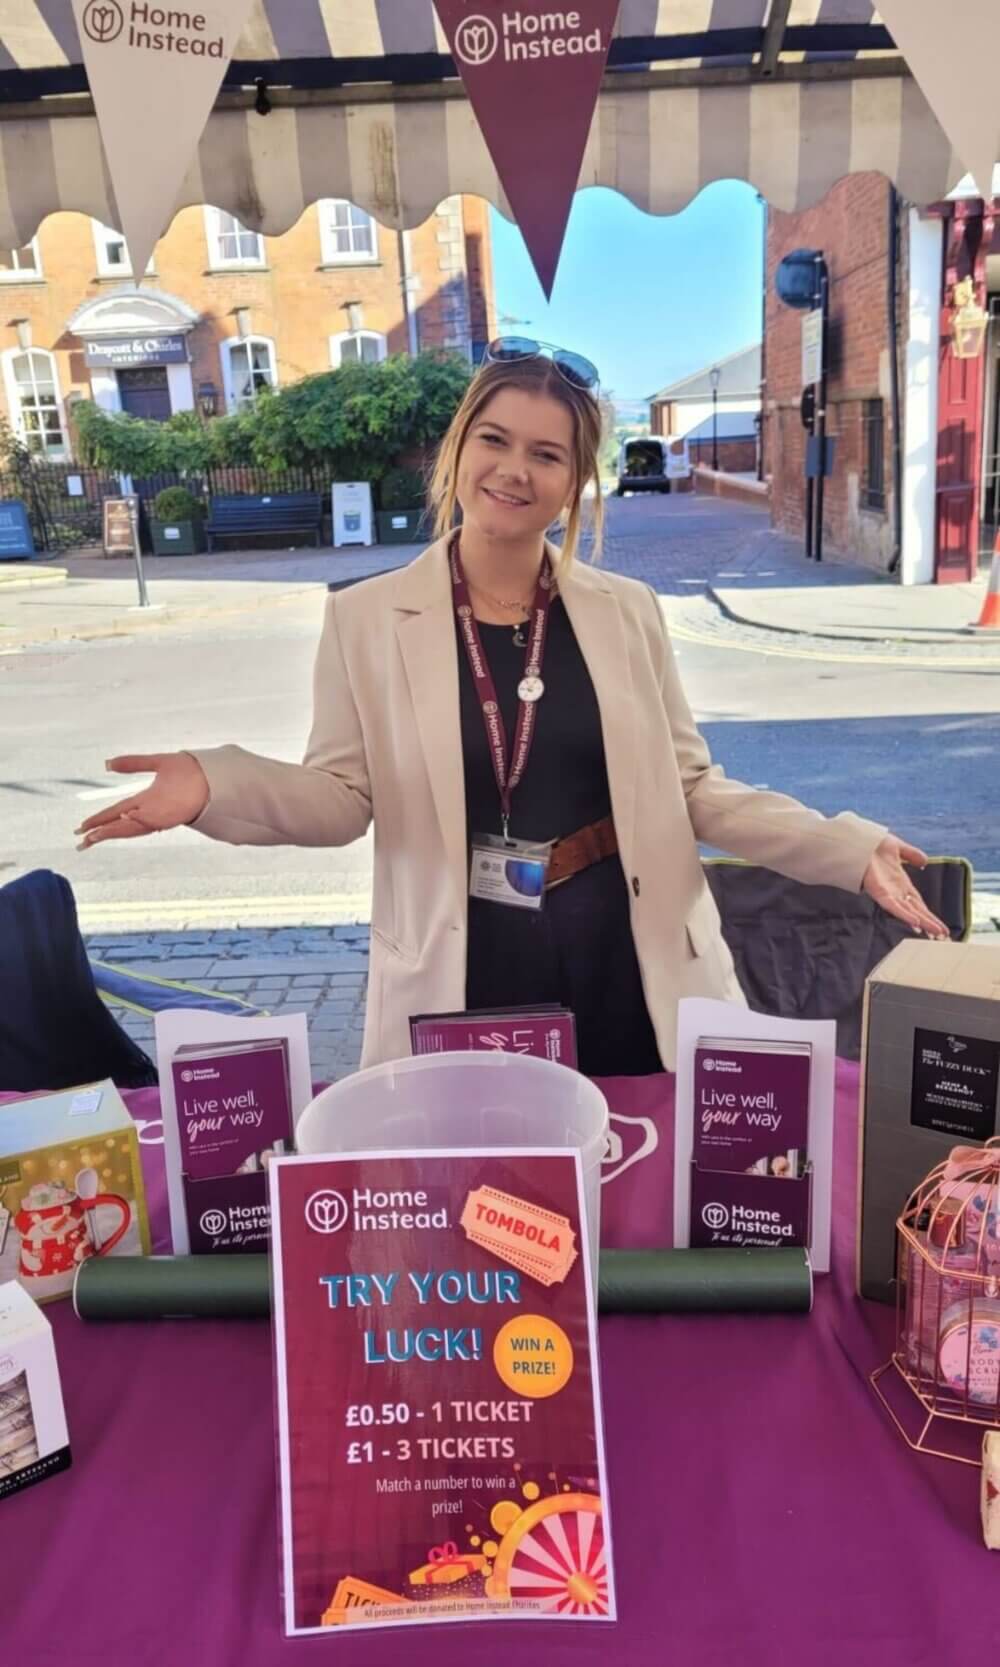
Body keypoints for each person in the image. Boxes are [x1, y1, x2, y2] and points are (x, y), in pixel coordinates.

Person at [76, 340, 947, 1076]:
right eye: (495, 439)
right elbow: (341, 799)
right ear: (458, 450)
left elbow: (693, 788)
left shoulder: (626, 611)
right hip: (466, 961)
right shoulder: (365, 618)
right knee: (487, 1207)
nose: (514, 469)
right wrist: (212, 783)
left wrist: (842, 845)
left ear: (574, 482)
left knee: (638, 1187)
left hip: (626, 948)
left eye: (547, 453)